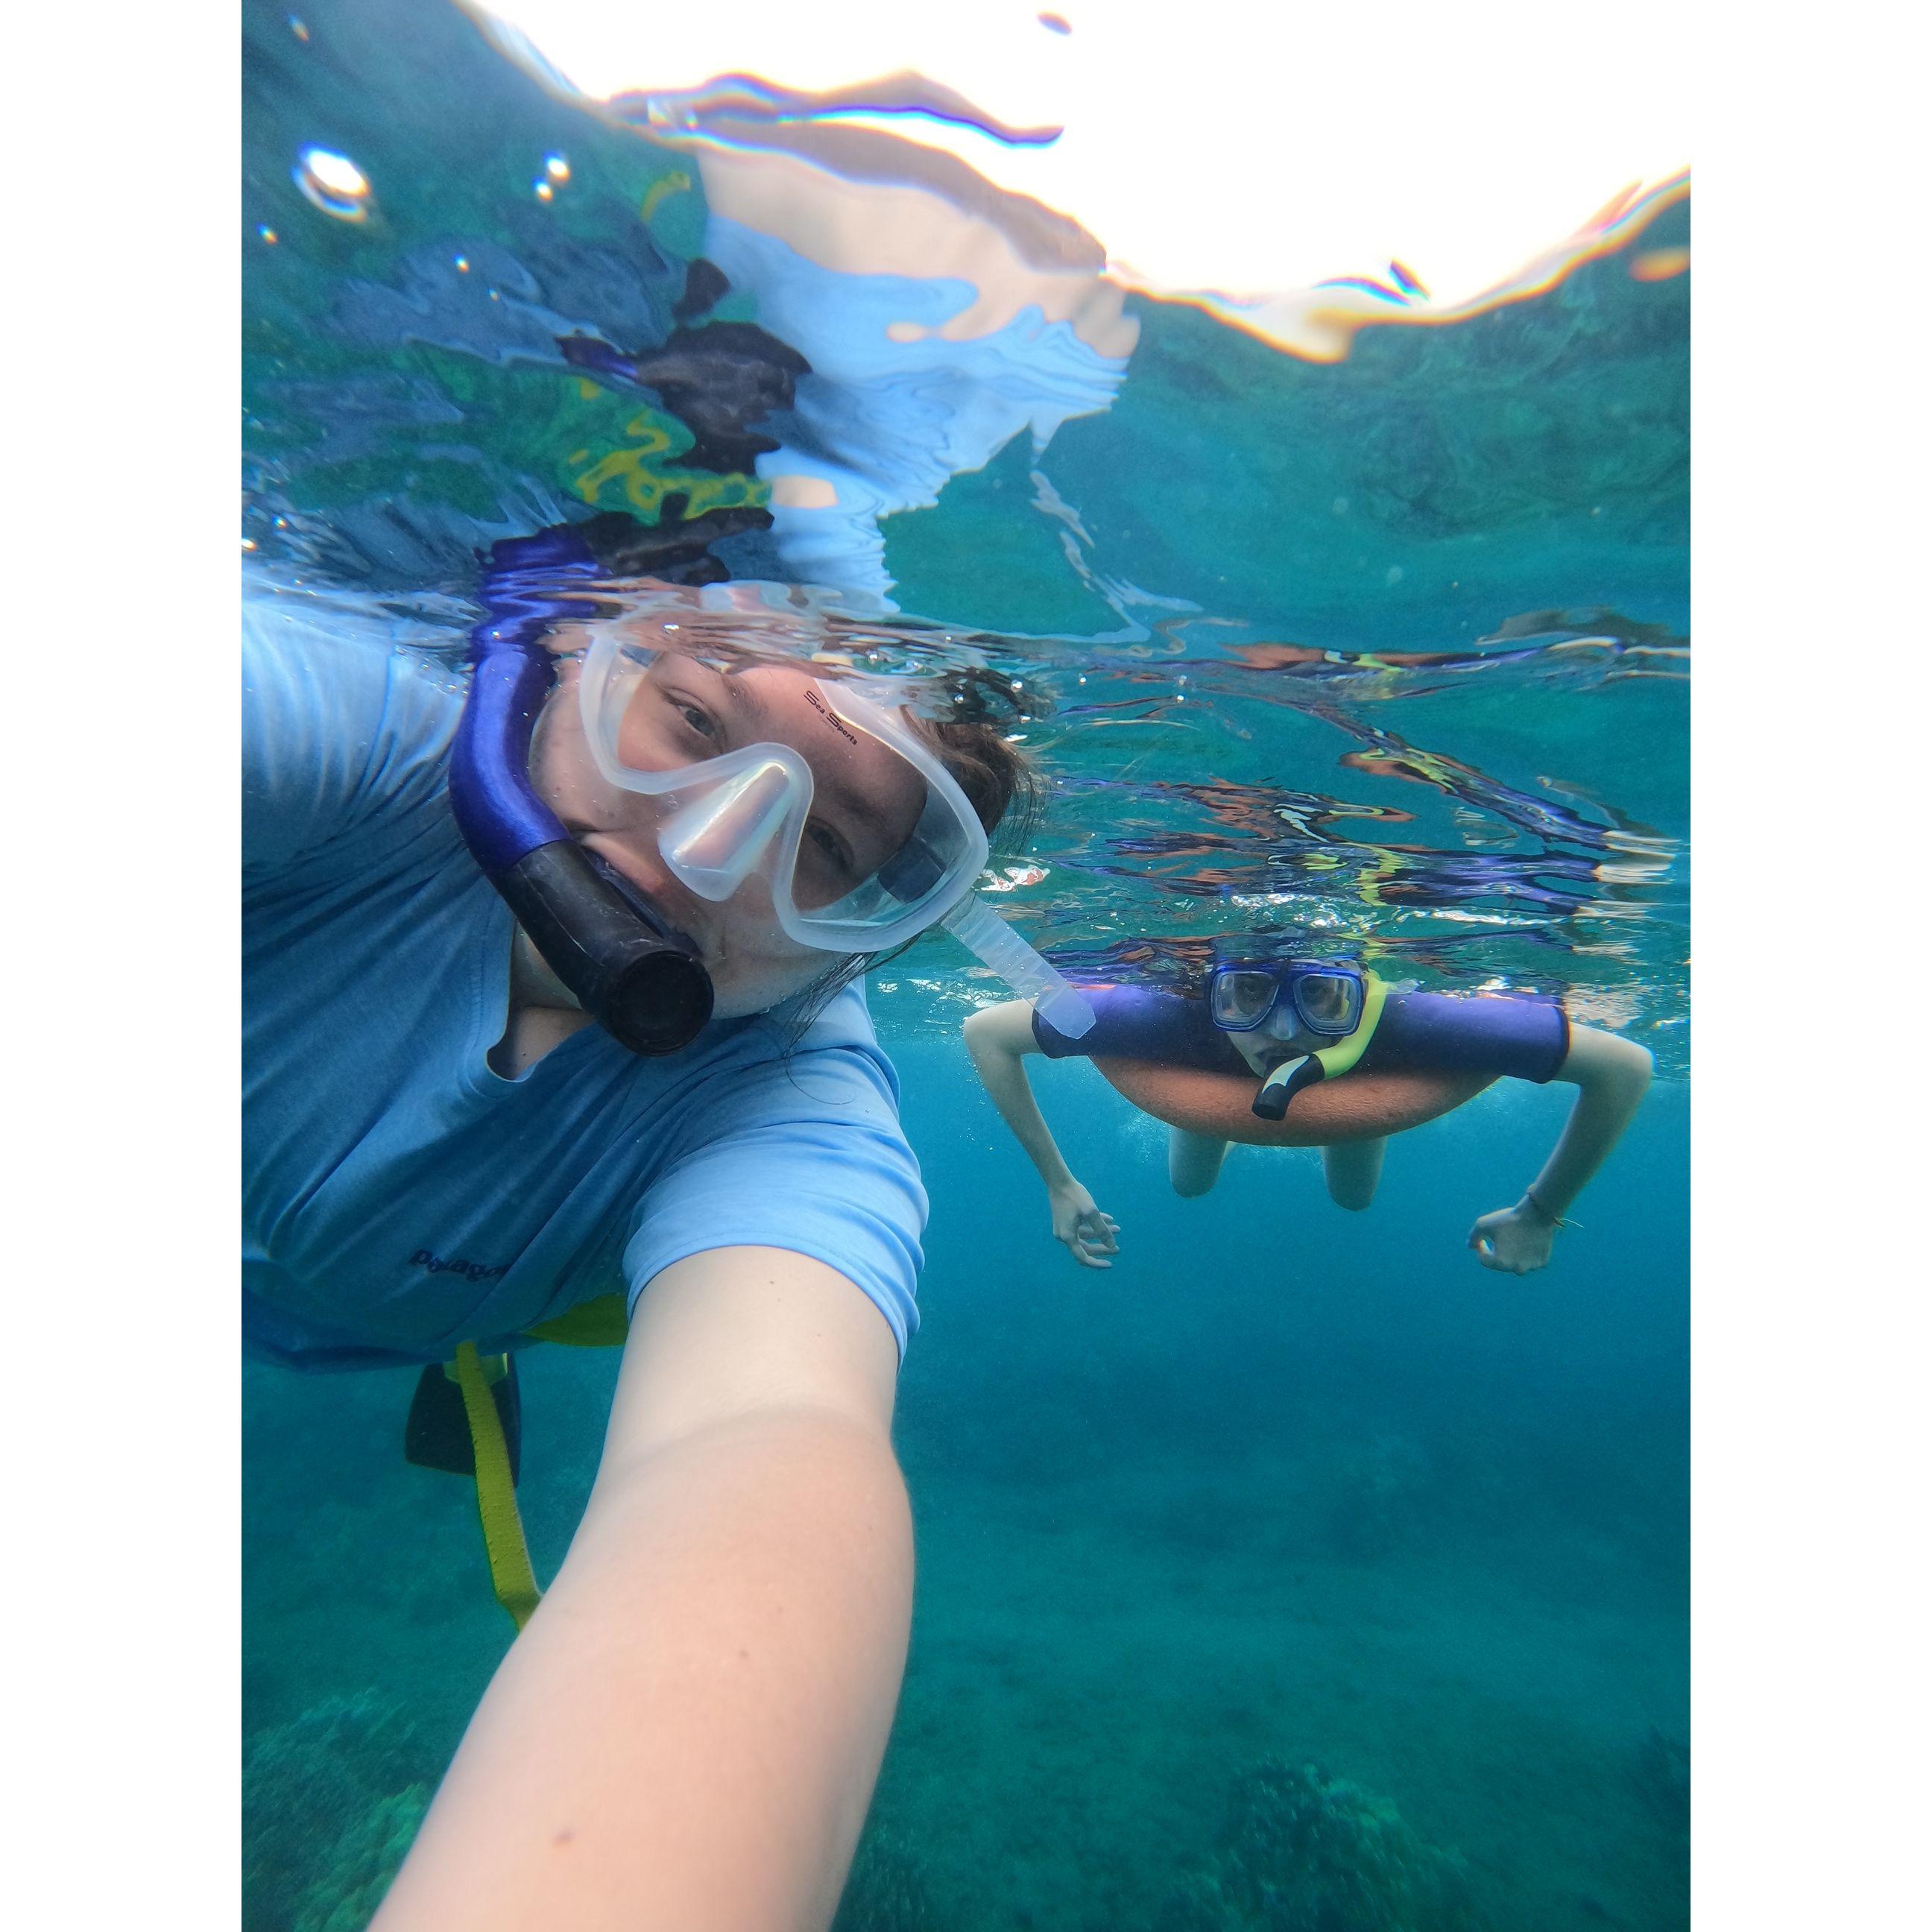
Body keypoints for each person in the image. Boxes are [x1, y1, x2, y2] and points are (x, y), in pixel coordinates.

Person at [244, 515, 1092, 1931]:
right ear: (569, 648)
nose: (705, 854)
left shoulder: (785, 1100)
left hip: (368, 1324)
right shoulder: (345, 741)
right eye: (688, 715)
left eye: (822, 842)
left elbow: (765, 1438)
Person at [962, 956, 1653, 1276]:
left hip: (1367, 1076)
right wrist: (1058, 1181)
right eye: (1248, 996)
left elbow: (1625, 1067)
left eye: (1323, 999)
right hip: (1203, 1074)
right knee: (1189, 1185)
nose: (1283, 1031)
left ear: (1365, 997)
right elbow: (986, 1030)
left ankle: (1318, 1099)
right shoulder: (1162, 1015)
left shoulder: (1417, 1022)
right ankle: (1208, 1113)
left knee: (1353, 1199)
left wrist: (1540, 1212)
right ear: (1209, 994)